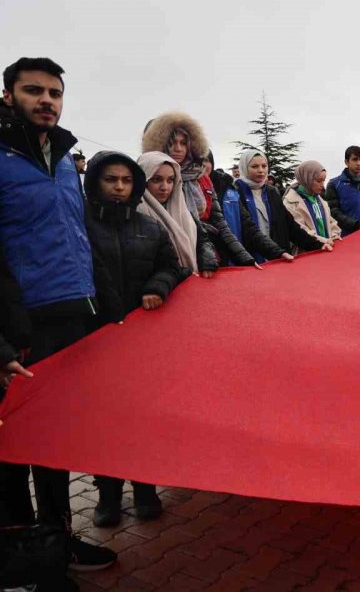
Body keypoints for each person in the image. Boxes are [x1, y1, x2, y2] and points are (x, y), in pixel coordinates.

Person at [0, 57, 118, 574]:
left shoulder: (66, 159)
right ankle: (21, 555)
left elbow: (77, 237)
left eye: (55, 93)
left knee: (57, 437)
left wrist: (105, 310)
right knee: (12, 448)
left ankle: (58, 538)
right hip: (17, 324)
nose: (47, 100)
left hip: (72, 315)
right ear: (9, 96)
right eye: (33, 91)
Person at [83, 151, 186, 528]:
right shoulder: (78, 225)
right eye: (111, 180)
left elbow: (169, 266)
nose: (119, 188)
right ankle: (108, 496)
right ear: (95, 182)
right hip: (95, 340)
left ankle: (145, 489)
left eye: (126, 182)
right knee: (103, 424)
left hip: (142, 342)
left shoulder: (150, 227)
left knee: (142, 418)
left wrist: (158, 287)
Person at [142, 112, 258, 268]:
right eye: (171, 143)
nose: (178, 149)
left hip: (204, 259)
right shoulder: (144, 177)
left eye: (183, 143)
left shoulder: (202, 178)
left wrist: (245, 258)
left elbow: (219, 223)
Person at [235, 149, 330, 258]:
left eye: (264, 166)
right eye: (254, 166)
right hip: (251, 258)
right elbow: (247, 230)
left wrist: (318, 245)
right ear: (244, 168)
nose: (261, 170)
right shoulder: (236, 193)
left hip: (278, 257)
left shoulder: (272, 193)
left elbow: (290, 226)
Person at [137, 152, 218, 278]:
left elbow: (203, 241)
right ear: (144, 180)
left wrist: (207, 261)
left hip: (191, 285)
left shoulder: (183, 210)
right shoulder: (134, 215)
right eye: (157, 179)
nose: (165, 187)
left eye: (170, 180)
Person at [282, 160, 342, 244]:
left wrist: (334, 236)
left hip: (326, 248)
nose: (322, 185)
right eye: (318, 181)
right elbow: (300, 230)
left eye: (323, 181)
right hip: (306, 252)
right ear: (307, 179)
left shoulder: (319, 200)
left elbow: (331, 222)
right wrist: (323, 241)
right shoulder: (290, 202)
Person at [325, 146, 360, 235]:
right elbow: (333, 212)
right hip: (344, 236)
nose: (358, 163)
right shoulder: (334, 184)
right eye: (355, 159)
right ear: (346, 162)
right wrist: (356, 224)